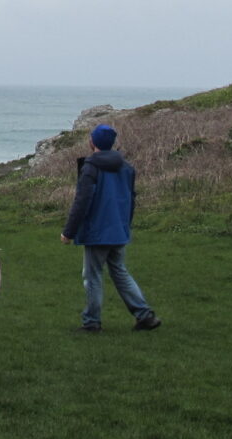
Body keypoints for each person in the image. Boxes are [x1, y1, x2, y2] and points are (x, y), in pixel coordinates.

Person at [61, 124, 161, 332]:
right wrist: (125, 224)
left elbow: (82, 201)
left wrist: (69, 231)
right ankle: (144, 314)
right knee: (120, 272)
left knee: (93, 276)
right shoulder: (126, 167)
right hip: (118, 229)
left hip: (98, 231)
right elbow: (131, 199)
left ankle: (92, 321)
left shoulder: (90, 167)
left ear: (93, 142)